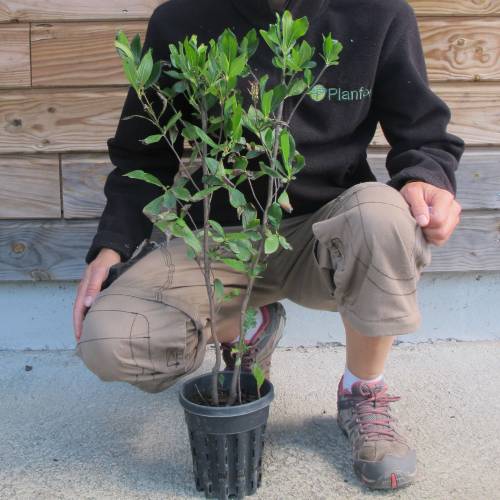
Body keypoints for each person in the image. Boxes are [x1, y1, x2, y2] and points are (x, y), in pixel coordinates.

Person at [73, 0, 464, 490]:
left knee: (384, 214)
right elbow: (143, 155)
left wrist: (428, 179)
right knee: (110, 342)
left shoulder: (378, 14)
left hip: (326, 232)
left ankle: (362, 390)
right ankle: (246, 328)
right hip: (220, 235)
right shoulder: (181, 20)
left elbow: (424, 135)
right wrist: (112, 247)